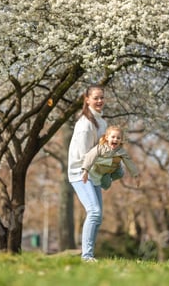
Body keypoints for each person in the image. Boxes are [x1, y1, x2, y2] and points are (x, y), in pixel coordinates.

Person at [68, 84, 107, 262]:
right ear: (87, 99)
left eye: (102, 97)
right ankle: (87, 256)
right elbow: (84, 156)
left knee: (98, 216)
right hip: (80, 172)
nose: (99, 101)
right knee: (94, 212)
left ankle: (89, 255)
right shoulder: (85, 125)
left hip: (94, 173)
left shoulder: (102, 121)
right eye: (96, 98)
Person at [81, 125, 139, 190]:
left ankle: (111, 177)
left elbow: (129, 163)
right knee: (106, 185)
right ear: (107, 137)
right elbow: (90, 156)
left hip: (113, 169)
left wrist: (136, 175)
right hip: (103, 171)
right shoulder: (101, 148)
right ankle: (104, 181)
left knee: (121, 173)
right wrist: (85, 170)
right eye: (113, 137)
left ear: (121, 140)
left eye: (118, 138)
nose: (115, 139)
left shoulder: (121, 151)